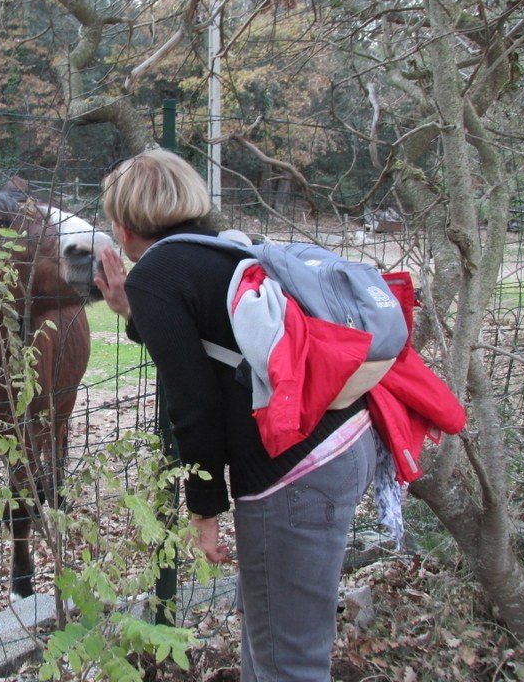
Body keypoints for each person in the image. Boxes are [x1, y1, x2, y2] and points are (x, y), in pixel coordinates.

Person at [93, 148, 378, 682]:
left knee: (288, 661)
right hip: (343, 445)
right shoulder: (219, 249)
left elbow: (193, 404)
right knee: (270, 633)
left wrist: (204, 511)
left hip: (292, 475)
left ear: (123, 227)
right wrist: (132, 313)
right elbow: (211, 351)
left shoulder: (157, 272)